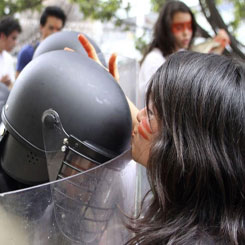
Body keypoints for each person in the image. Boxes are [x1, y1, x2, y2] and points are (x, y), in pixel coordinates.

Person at [78, 34, 245, 244]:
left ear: (188, 144)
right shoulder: (215, 220)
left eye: (153, 112)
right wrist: (110, 89)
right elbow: (152, 131)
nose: (139, 116)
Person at [138, 0, 230, 108]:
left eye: (189, 27)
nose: (186, 33)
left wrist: (215, 51)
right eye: (179, 27)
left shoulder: (183, 55)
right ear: (166, 29)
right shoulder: (154, 61)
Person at [15, 5, 66, 78]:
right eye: (51, 28)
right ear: (41, 27)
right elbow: (18, 84)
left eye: (58, 29)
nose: (55, 33)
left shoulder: (63, 55)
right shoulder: (27, 53)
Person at [0, 16, 22, 120]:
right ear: (2, 36)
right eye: (13, 38)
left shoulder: (8, 59)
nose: (15, 43)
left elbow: (12, 87)